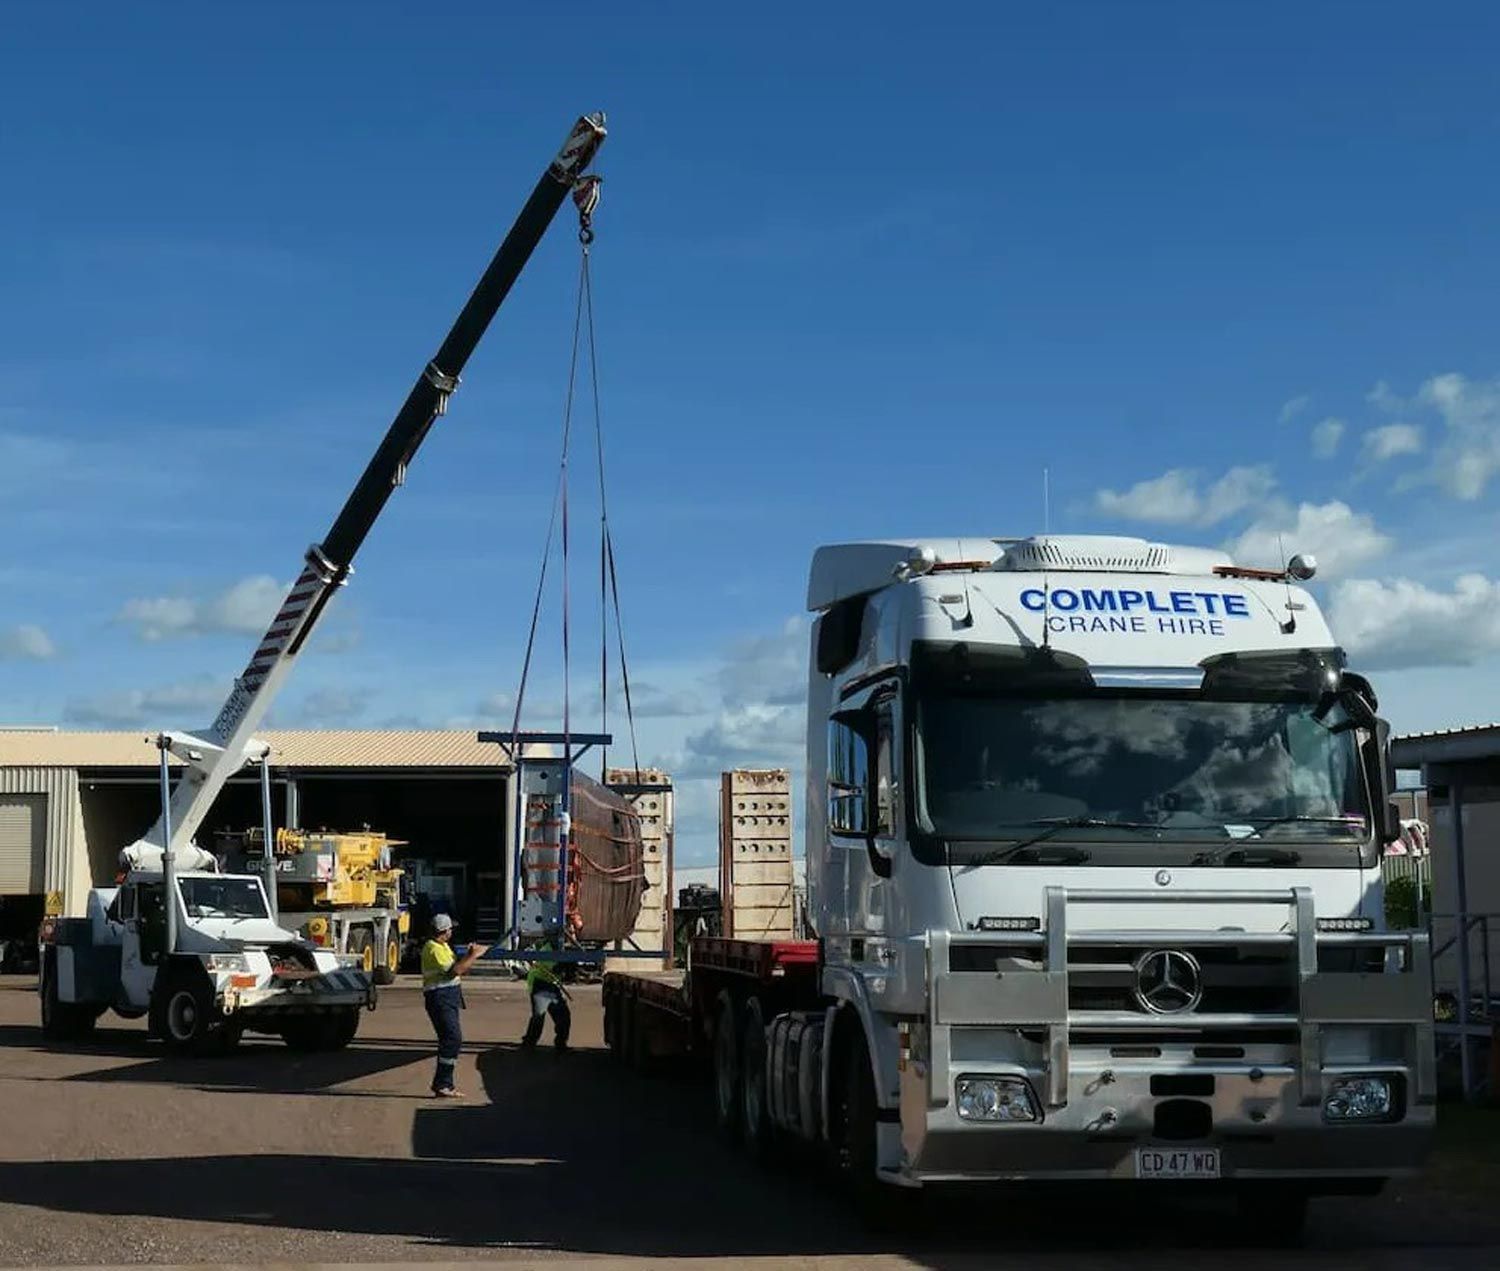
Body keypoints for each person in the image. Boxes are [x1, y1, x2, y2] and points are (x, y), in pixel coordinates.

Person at [420, 912, 487, 1097]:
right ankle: (443, 1083)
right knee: (452, 1039)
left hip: (447, 996)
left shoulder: (442, 946)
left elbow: (458, 965)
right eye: (450, 929)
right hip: (440, 997)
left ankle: (444, 1084)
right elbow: (456, 970)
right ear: (443, 931)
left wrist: (468, 955)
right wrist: (473, 955)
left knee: (450, 1039)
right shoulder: (433, 948)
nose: (451, 932)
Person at [521, 938, 571, 1052]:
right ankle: (528, 1043)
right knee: (539, 1015)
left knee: (563, 1016)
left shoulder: (557, 948)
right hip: (540, 983)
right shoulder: (547, 950)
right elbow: (557, 969)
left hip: (551, 985)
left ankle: (561, 1044)